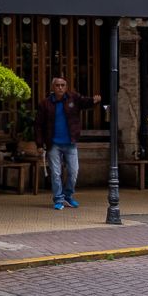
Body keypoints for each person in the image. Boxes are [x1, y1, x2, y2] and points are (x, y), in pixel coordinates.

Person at [35, 77, 100, 210]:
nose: (60, 88)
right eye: (57, 85)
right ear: (53, 87)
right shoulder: (45, 104)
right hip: (53, 144)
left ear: (66, 87)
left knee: (74, 171)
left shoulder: (73, 98)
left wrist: (94, 101)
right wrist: (40, 145)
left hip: (70, 142)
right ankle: (58, 199)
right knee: (56, 173)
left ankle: (68, 195)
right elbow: (38, 125)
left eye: (63, 85)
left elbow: (85, 102)